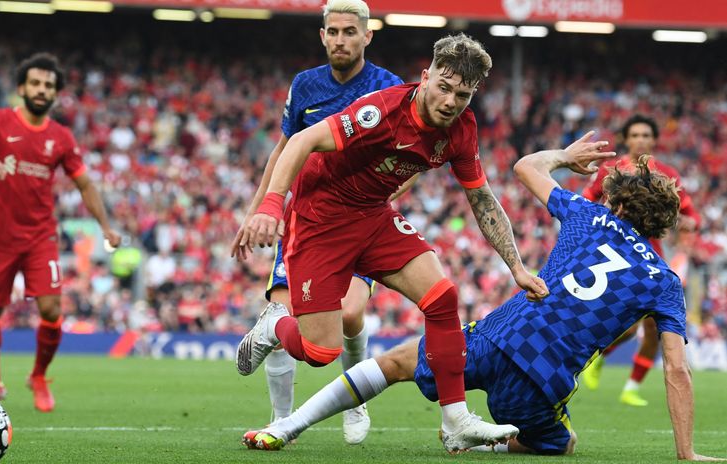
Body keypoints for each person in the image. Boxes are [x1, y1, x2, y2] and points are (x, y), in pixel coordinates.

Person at [243, 133, 723, 461]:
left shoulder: (588, 215)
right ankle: (485, 443)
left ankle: (286, 427)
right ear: (661, 222)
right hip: (541, 387)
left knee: (392, 364)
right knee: (563, 442)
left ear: (616, 203)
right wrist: (686, 451)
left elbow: (526, 166)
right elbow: (676, 369)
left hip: (496, 339)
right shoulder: (665, 282)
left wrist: (565, 155)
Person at [235, 33, 550, 451]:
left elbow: (481, 198)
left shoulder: (461, 128)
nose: (451, 101)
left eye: (463, 94)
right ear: (425, 77)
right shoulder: (380, 112)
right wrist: (271, 205)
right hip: (321, 220)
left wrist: (517, 267)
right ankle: (276, 323)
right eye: (444, 87)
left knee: (442, 297)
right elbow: (302, 140)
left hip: (373, 216)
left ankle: (456, 421)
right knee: (319, 351)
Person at [229, 0, 403, 443]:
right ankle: (279, 419)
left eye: (350, 31)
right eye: (334, 31)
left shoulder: (388, 87)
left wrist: (382, 195)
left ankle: (355, 399)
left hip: (361, 219)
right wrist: (260, 209)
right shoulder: (305, 86)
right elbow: (284, 150)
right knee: (289, 309)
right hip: (307, 220)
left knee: (348, 315)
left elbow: (407, 160)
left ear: (367, 35)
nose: (341, 39)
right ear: (323, 35)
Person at [0, 52, 121, 412]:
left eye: (48, 86)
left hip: (40, 237)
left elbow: (85, 184)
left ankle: (39, 376)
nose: (42, 90)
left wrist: (106, 226)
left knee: (52, 307)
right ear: (22, 87)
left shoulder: (61, 137)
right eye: (36, 83)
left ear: (55, 94)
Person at [581, 114, 701, 406]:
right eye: (635, 135)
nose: (641, 140)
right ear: (627, 139)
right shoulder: (611, 170)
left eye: (646, 135)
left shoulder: (665, 173)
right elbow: (587, 199)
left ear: (654, 140)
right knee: (631, 325)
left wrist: (691, 224)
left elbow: (690, 212)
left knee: (652, 328)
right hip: (615, 253)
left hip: (651, 255)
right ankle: (600, 357)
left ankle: (631, 387)